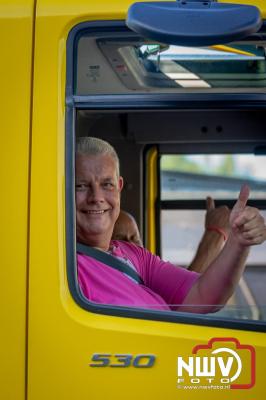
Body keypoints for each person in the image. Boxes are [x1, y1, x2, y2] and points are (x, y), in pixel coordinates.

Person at [76, 137, 266, 313]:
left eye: (107, 184)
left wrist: (238, 242)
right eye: (81, 186)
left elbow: (203, 296)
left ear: (119, 187)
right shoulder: (64, 265)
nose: (96, 198)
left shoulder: (134, 256)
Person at [113, 204, 230, 273]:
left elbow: (185, 286)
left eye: (135, 238)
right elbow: (186, 296)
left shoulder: (149, 272)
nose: (131, 245)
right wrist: (216, 233)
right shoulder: (116, 279)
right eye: (120, 239)